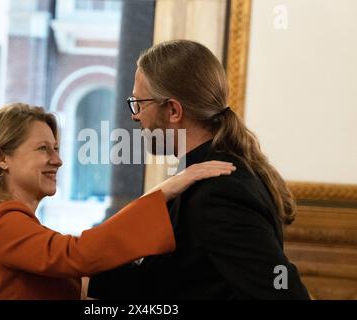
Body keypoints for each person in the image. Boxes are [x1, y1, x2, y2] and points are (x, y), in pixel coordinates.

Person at [88, 40, 310, 299]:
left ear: (173, 110)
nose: (135, 115)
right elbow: (173, 280)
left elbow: (284, 292)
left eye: (139, 103)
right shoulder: (199, 176)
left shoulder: (220, 191)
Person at [0, 102, 235, 300]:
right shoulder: (2, 220)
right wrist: (161, 194)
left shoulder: (8, 220)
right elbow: (78, 255)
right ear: (2, 158)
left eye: (57, 148)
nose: (57, 160)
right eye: (43, 149)